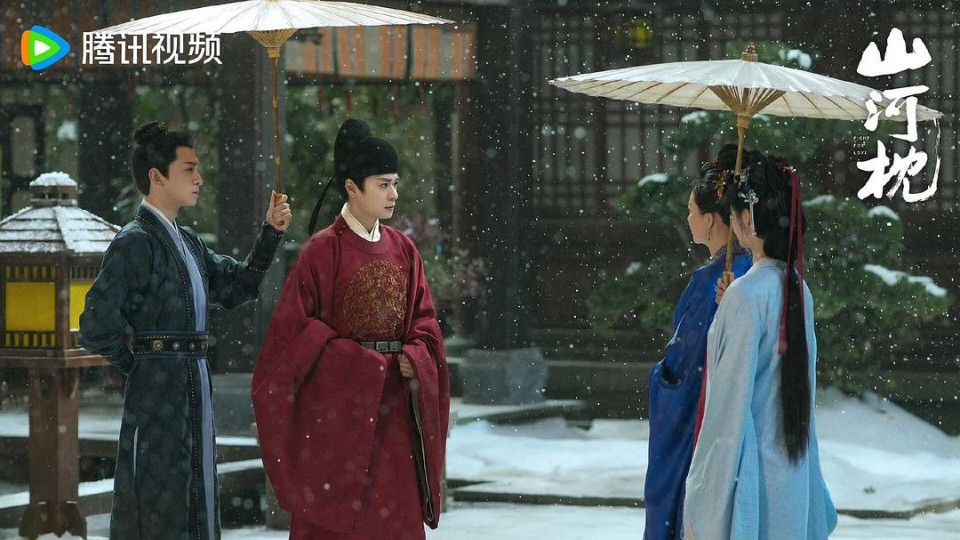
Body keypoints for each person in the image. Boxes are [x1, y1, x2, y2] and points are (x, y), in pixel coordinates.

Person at [78, 121, 292, 539]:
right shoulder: (134, 242)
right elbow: (95, 324)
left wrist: (271, 232)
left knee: (198, 488)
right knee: (158, 496)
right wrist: (138, 365)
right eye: (189, 169)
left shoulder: (188, 241)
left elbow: (237, 286)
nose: (199, 178)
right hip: (156, 393)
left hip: (194, 381)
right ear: (157, 176)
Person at [252, 119, 449, 540]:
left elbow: (425, 322)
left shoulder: (404, 249)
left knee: (393, 518)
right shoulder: (321, 251)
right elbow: (293, 340)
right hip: (338, 420)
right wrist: (361, 365)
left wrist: (416, 356)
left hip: (394, 413)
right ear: (351, 188)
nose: (394, 194)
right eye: (383, 184)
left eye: (395, 184)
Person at [683, 147, 837, 539]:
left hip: (754, 469)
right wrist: (732, 304)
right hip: (791, 463)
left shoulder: (748, 294)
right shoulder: (796, 286)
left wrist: (706, 492)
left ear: (747, 218)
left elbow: (729, 406)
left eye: (735, 213)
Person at [644, 146, 752, 540]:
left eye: (691, 210)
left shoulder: (715, 281)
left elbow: (686, 365)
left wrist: (660, 377)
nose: (688, 217)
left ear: (709, 219)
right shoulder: (752, 270)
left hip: (702, 414)